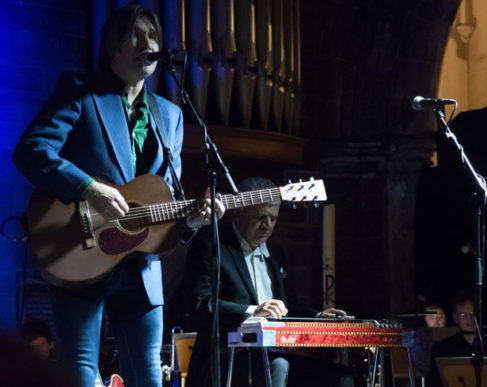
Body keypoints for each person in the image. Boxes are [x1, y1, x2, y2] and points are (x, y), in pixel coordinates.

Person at [12, 5, 224, 387]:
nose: (148, 44)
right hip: (79, 249)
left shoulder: (171, 115)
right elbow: (31, 150)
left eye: (154, 36)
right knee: (78, 369)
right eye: (136, 35)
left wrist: (191, 222)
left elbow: (165, 197)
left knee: (147, 372)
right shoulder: (80, 92)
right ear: (112, 48)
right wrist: (88, 189)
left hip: (141, 265)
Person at [182, 177, 355, 387]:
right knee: (278, 366)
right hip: (227, 357)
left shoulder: (275, 253)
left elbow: (289, 307)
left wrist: (320, 317)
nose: (268, 226)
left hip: (273, 355)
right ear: (239, 212)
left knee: (341, 378)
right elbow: (202, 305)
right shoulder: (211, 245)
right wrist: (253, 311)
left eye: (273, 219)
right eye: (260, 218)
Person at [426, 292, 487, 386]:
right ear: (455, 318)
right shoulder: (441, 348)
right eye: (463, 315)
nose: (469, 319)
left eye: (473, 314)